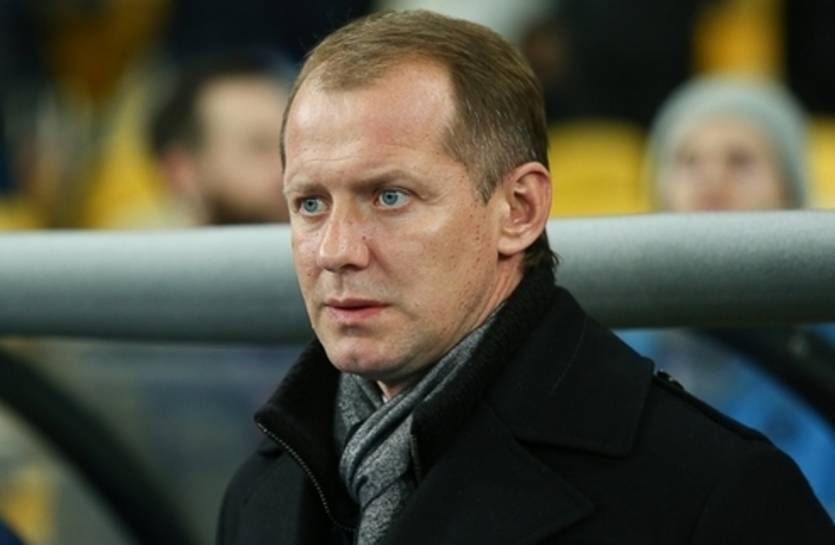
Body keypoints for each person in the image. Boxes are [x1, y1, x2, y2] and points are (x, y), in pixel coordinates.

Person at [217, 11, 835, 545]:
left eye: (390, 197)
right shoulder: (262, 487)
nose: (336, 251)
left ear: (519, 210)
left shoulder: (715, 494)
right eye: (310, 204)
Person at [620, 77, 835, 515]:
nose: (711, 177)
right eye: (688, 160)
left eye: (740, 160)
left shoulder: (825, 345)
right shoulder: (611, 340)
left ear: (790, 191)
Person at [150, 52, 291, 225]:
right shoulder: (128, 237)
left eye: (289, 144)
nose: (289, 168)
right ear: (181, 172)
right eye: (259, 147)